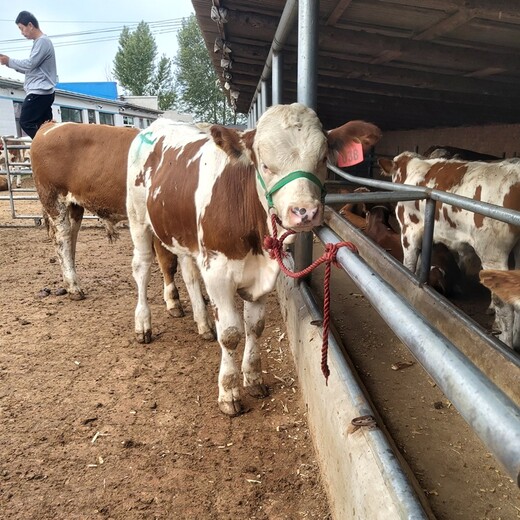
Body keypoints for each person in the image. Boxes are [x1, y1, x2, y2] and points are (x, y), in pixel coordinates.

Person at [0, 11, 57, 139]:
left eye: (22, 28)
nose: (22, 33)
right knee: (45, 126)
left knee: (26, 122)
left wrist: (9, 61)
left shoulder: (43, 41)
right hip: (44, 93)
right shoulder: (40, 43)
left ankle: (44, 147)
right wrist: (10, 64)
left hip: (39, 92)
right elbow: (30, 68)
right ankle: (50, 149)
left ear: (30, 25)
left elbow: (30, 64)